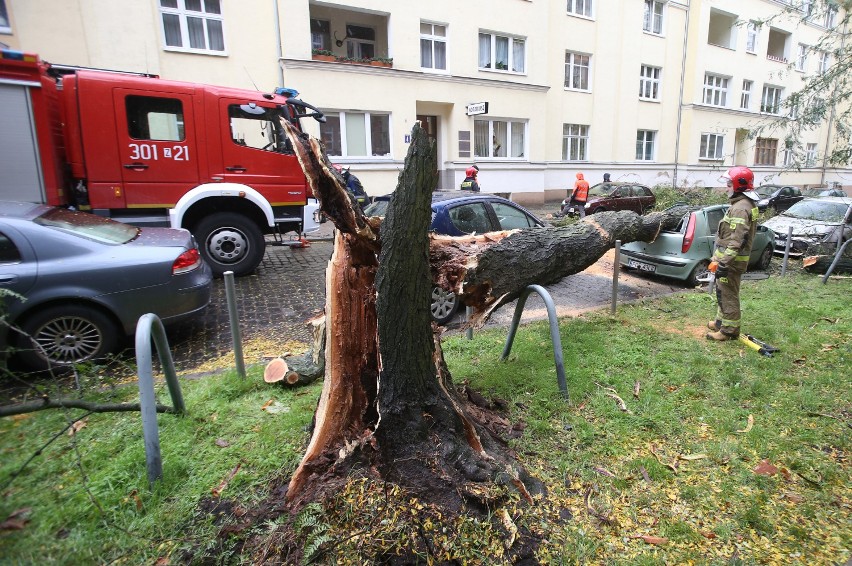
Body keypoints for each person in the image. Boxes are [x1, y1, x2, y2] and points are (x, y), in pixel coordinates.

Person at [706, 165, 760, 341]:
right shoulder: (741, 204)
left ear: (739, 185)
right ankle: (721, 322)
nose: (726, 188)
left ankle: (729, 331)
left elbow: (736, 241)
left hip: (731, 262)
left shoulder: (740, 208)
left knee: (728, 293)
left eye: (729, 185)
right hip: (728, 260)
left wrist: (724, 262)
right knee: (723, 291)